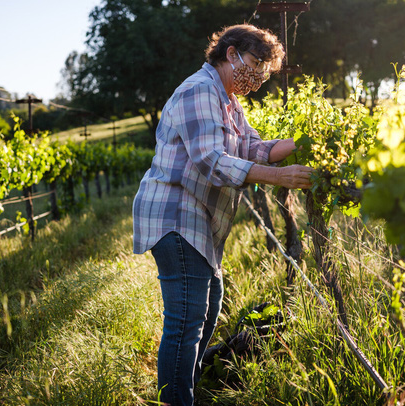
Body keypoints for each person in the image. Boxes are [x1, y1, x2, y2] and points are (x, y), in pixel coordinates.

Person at [132, 24, 313, 406]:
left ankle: (187, 390)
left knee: (210, 305)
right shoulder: (201, 90)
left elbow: (253, 147)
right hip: (175, 214)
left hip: (198, 219)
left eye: (267, 71)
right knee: (185, 322)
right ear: (231, 54)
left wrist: (305, 143)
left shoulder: (229, 101)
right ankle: (177, 400)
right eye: (256, 64)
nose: (260, 77)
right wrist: (281, 177)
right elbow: (212, 161)